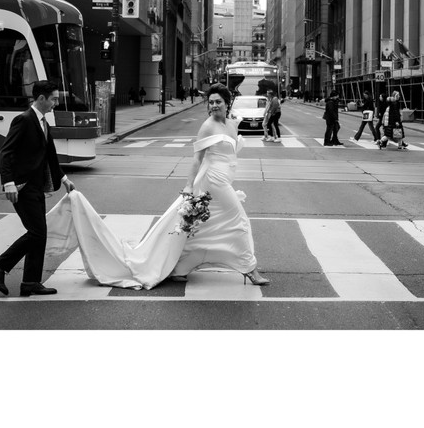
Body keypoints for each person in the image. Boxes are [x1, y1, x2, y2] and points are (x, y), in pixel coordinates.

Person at [44, 83, 270, 289]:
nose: (213, 106)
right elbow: (197, 159)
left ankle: (180, 267)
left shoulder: (230, 124)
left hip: (224, 180)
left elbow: (229, 154)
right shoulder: (207, 127)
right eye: (210, 102)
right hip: (214, 182)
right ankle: (250, 269)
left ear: (226, 102)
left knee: (204, 226)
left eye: (218, 101)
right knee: (239, 221)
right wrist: (189, 186)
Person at [0, 80, 76, 297]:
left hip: (36, 186)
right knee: (37, 232)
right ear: (41, 98)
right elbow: (6, 152)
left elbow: (50, 156)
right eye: (53, 99)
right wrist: (8, 183)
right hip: (22, 187)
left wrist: (64, 179)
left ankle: (30, 282)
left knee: (40, 234)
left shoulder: (44, 123)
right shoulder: (23, 120)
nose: (56, 103)